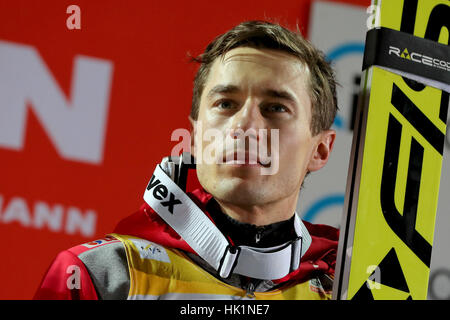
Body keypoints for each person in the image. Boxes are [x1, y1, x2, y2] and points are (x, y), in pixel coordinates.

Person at [34, 20, 339, 300]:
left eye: (276, 108)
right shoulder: (99, 276)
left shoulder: (343, 285)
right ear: (195, 133)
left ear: (320, 150)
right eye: (226, 104)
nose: (244, 126)